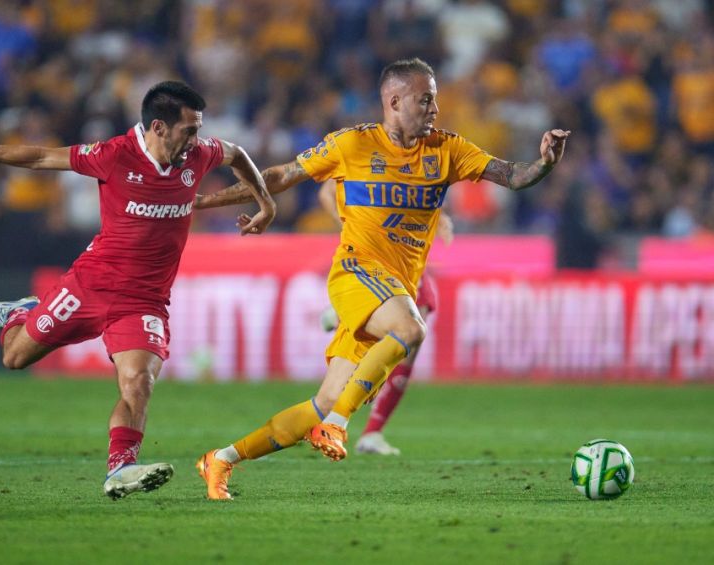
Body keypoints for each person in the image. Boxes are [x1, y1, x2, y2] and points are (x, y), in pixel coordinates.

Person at [193, 57, 569, 500]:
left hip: (396, 286)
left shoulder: (448, 150)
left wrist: (544, 162)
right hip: (355, 269)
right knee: (410, 329)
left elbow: (512, 176)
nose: (434, 108)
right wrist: (203, 202)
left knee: (324, 402)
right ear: (393, 101)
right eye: (424, 99)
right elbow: (280, 176)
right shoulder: (352, 144)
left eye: (435, 99)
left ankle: (221, 459)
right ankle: (337, 428)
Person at [0, 81, 276, 499]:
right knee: (14, 357)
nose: (196, 139)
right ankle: (23, 313)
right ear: (159, 127)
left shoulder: (199, 154)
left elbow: (238, 154)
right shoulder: (113, 155)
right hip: (91, 284)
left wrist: (266, 203)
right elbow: (40, 157)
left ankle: (120, 467)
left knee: (138, 381)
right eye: (188, 129)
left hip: (144, 300)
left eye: (198, 129)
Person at [317, 178, 454, 456]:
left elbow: (417, 200)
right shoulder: (365, 148)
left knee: (415, 324)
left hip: (405, 259)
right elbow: (327, 191)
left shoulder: (416, 153)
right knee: (412, 325)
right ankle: (362, 428)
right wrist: (348, 227)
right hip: (375, 259)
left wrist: (437, 217)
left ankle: (370, 431)